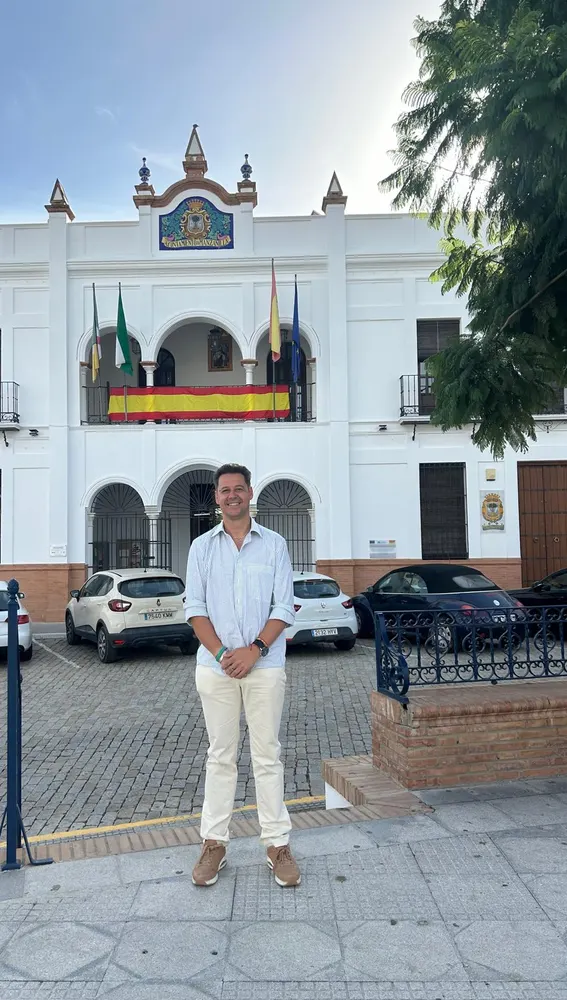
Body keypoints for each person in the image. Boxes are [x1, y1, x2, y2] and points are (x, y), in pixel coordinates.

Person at [184, 463, 301, 888]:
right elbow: (194, 608)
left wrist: (253, 651)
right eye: (224, 490)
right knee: (221, 756)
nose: (232, 495)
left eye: (238, 489)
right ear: (216, 498)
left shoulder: (274, 545)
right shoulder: (201, 548)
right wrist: (222, 654)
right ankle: (214, 843)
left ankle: (277, 844)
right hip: (214, 669)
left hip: (264, 665)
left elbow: (284, 607)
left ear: (250, 493)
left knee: (267, 755)